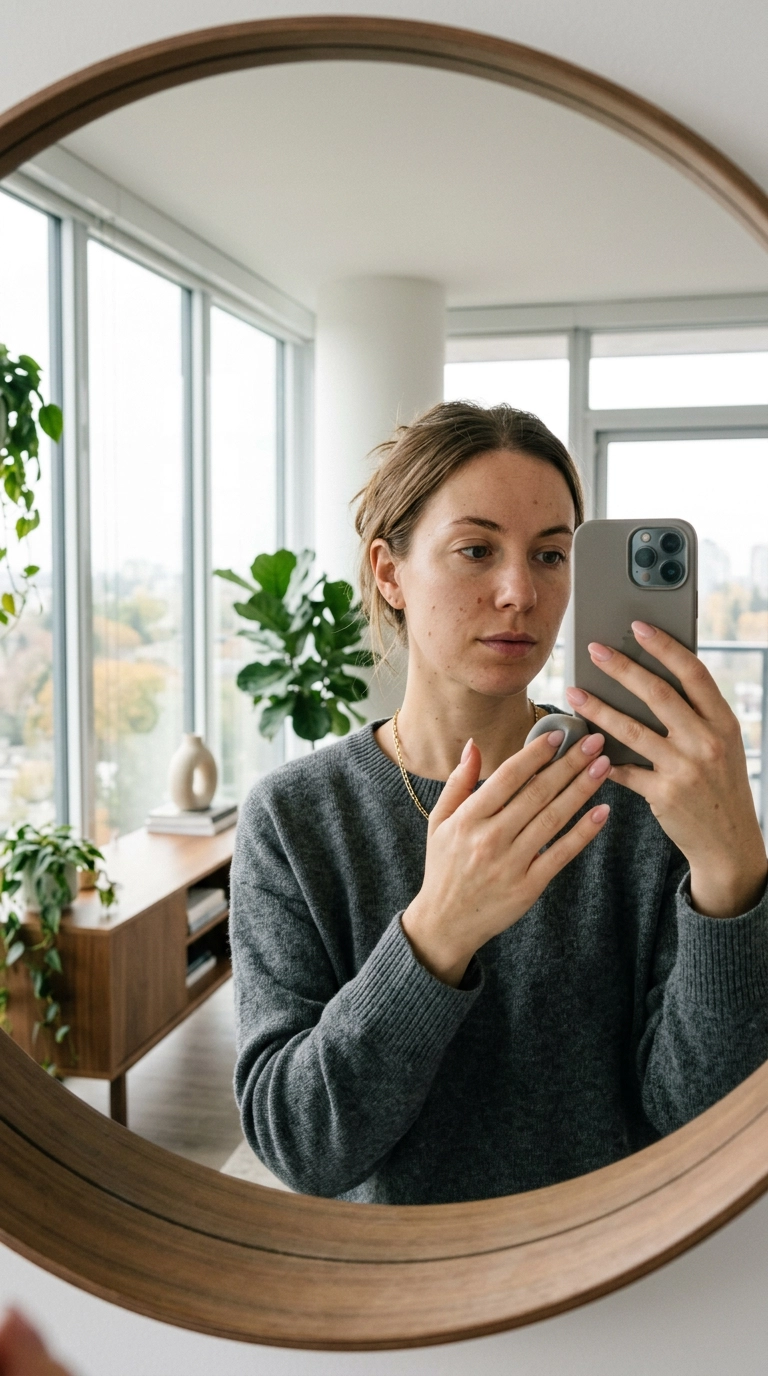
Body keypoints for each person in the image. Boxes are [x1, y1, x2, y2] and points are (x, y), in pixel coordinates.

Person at [231, 401, 768, 1205]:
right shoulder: (296, 819)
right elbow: (301, 1147)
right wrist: (437, 931)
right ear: (389, 572)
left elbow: (699, 1122)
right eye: (476, 550)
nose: (520, 591)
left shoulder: (637, 792)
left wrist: (733, 876)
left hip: (625, 1284)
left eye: (551, 556)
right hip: (400, 1304)